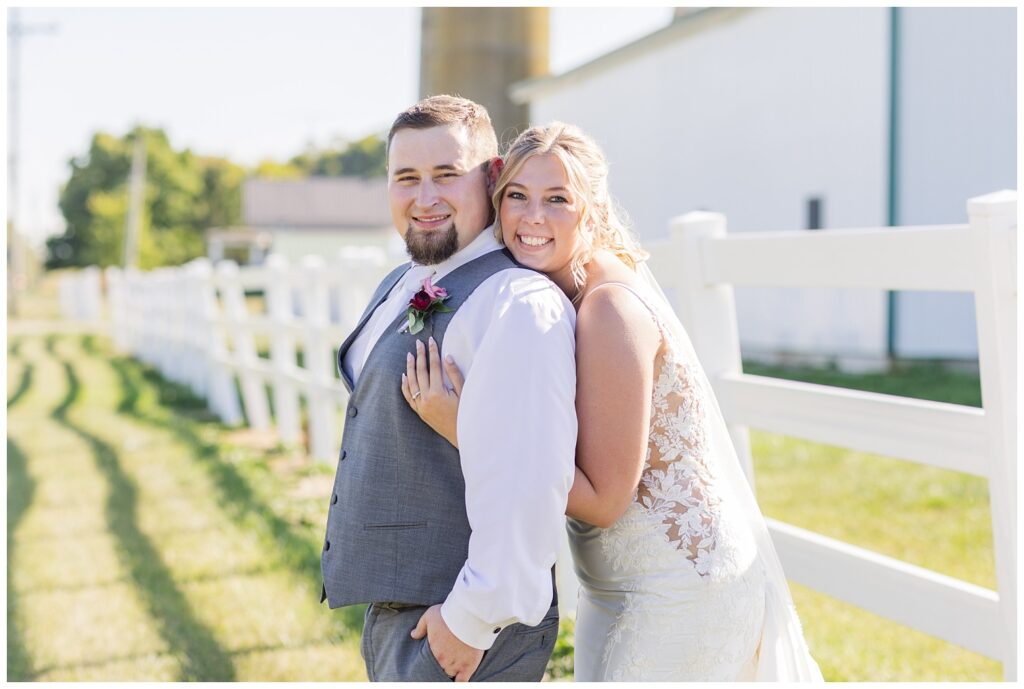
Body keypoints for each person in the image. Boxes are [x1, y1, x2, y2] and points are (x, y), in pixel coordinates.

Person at [403, 122, 824, 681]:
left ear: (591, 211)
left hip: (679, 591)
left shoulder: (607, 310)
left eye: (558, 200)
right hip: (615, 588)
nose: (533, 218)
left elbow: (604, 500)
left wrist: (466, 426)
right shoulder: (561, 293)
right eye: (518, 198)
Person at [320, 97, 578, 682]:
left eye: (446, 175)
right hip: (407, 618)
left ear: (491, 178)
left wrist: (470, 619)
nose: (425, 198)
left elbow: (529, 479)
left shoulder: (518, 302)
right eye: (406, 178)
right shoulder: (404, 282)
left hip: (463, 627)